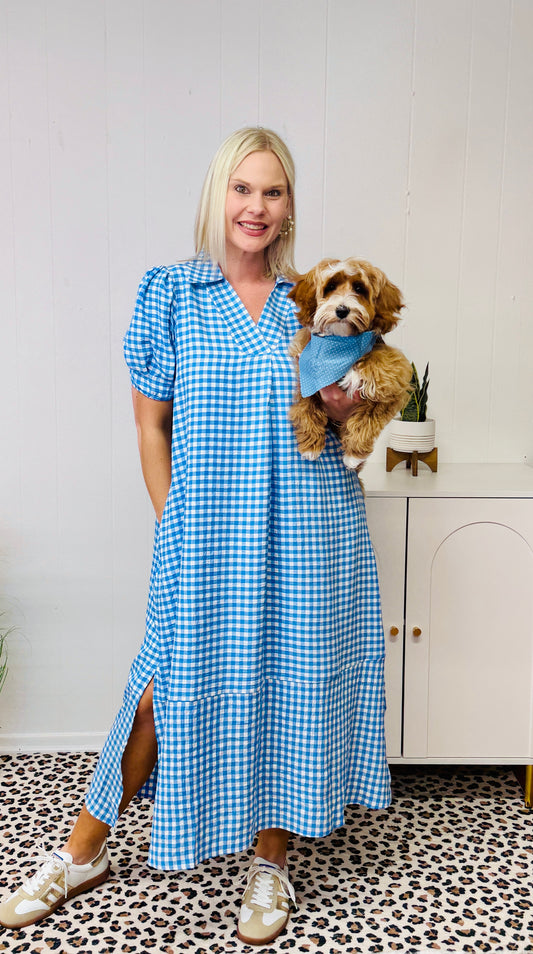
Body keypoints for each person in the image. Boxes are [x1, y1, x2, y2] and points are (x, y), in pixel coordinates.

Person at [0, 128, 391, 945]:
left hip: (311, 528)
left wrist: (345, 406)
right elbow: (151, 426)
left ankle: (271, 862)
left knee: (290, 683)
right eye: (242, 189)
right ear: (218, 197)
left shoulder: (311, 296)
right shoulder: (170, 293)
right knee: (158, 689)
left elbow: (352, 401)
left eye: (273, 192)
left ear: (289, 208)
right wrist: (171, 519)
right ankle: (81, 854)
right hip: (205, 531)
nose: (256, 207)